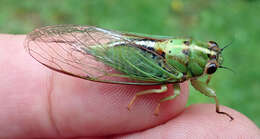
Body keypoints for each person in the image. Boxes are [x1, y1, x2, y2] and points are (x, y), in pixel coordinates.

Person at [0, 34, 259, 138]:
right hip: (128, 60)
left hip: (143, 46)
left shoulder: (186, 52)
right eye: (210, 56)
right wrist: (155, 101)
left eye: (210, 66)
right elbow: (162, 92)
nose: (212, 60)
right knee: (163, 92)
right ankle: (85, 51)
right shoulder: (182, 78)